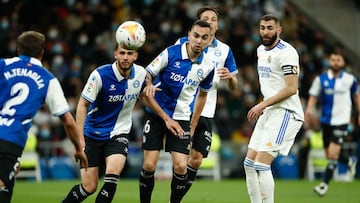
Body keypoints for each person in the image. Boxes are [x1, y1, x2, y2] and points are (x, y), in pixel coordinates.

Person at [62, 43, 182, 203]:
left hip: (119, 133)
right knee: (89, 187)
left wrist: (166, 118)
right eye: (122, 53)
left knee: (112, 178)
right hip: (92, 134)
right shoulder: (100, 75)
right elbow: (82, 104)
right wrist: (80, 139)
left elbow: (144, 97)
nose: (126, 57)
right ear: (115, 54)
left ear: (135, 56)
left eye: (129, 53)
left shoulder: (140, 73)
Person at [0, 30, 88, 203]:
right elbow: (68, 121)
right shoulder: (48, 79)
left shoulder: (2, 65)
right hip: (10, 139)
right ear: (42, 53)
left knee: (6, 186)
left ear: (18, 50)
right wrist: (78, 148)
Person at [139, 20, 215, 203]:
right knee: (149, 165)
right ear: (189, 34)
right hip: (157, 113)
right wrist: (148, 84)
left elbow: (203, 95)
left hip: (181, 117)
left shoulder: (208, 66)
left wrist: (194, 122)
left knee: (181, 167)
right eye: (196, 36)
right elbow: (147, 73)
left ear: (209, 41)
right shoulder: (171, 53)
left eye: (204, 38)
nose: (199, 41)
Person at [174, 6, 238, 200]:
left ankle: (174, 198)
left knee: (197, 159)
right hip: (183, 109)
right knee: (180, 161)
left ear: (217, 26)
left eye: (213, 19)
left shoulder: (225, 50)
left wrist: (230, 79)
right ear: (198, 23)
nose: (210, 21)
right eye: (205, 18)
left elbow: (234, 86)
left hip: (207, 111)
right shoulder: (183, 43)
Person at [243, 14, 304, 203]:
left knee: (261, 164)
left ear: (279, 30)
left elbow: (291, 88)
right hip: (269, 111)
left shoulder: (287, 52)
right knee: (249, 164)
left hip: (286, 112)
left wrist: (261, 104)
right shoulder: (261, 50)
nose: (265, 32)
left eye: (270, 28)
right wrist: (264, 106)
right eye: (262, 27)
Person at [305, 51, 360, 197]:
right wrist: (309, 110)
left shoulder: (350, 79)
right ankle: (349, 161)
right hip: (326, 122)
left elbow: (357, 95)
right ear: (329, 61)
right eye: (333, 59)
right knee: (330, 154)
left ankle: (323, 185)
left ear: (343, 63)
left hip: (342, 121)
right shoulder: (321, 79)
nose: (336, 62)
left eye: (338, 60)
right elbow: (313, 96)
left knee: (333, 154)